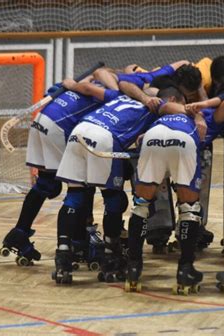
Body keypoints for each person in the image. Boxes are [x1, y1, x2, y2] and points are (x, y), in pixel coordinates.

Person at [52, 83, 196, 284]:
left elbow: (123, 82)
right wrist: (194, 112)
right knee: (114, 200)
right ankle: (111, 257)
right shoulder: (156, 105)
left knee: (74, 196)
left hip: (80, 131)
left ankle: (63, 256)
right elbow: (179, 110)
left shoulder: (120, 95)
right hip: (104, 137)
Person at [0, 77, 119, 267]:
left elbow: (51, 91)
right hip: (59, 129)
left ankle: (19, 233)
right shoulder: (107, 94)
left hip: (41, 121)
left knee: (46, 184)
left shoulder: (83, 84)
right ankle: (79, 242)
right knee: (81, 183)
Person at [124, 86, 208, 295]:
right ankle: (185, 270)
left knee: (141, 206)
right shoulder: (191, 111)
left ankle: (134, 268)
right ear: (181, 100)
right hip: (183, 140)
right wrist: (198, 113)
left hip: (153, 138)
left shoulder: (158, 112)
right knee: (189, 208)